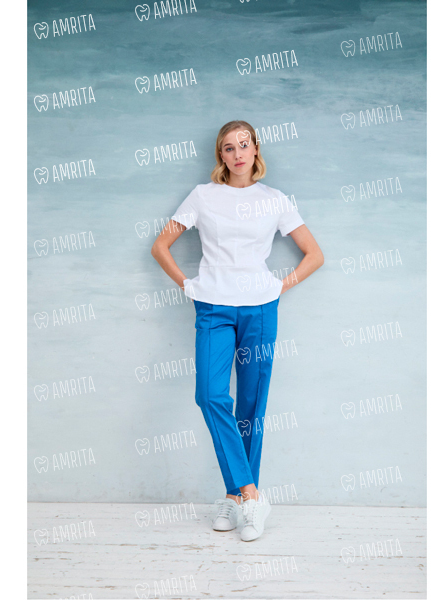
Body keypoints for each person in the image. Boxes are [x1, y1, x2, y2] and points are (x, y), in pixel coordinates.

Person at [151, 120, 324, 541]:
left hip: (260, 310)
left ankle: (234, 499)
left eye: (244, 144)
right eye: (229, 147)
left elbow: (314, 255)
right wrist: (188, 285)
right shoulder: (203, 196)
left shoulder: (275, 199)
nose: (238, 153)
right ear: (221, 156)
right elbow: (160, 246)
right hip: (213, 307)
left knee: (251, 406)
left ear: (255, 149)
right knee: (210, 395)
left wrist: (279, 286)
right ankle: (251, 494)